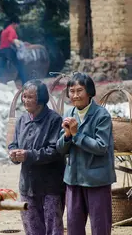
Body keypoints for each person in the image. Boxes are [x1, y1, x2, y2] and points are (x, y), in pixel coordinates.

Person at [56, 73, 116, 235]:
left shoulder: (101, 115)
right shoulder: (69, 113)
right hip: (74, 180)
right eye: (72, 91)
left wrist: (77, 134)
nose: (75, 95)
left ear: (89, 91)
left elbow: (101, 147)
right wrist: (67, 136)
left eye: (80, 90)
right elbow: (60, 149)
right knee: (74, 226)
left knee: (100, 226)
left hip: (97, 181)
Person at [8, 80, 65, 235]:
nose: (25, 100)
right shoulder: (22, 119)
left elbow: (55, 150)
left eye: (30, 97)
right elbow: (13, 144)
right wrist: (14, 154)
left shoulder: (54, 120)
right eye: (24, 96)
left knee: (53, 229)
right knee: (32, 229)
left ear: (40, 99)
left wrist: (28, 155)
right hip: (28, 185)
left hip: (50, 186)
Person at [0, 19, 26, 85]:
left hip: (2, 51)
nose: (17, 26)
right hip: (8, 50)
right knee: (19, 66)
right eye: (17, 25)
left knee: (1, 67)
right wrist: (17, 43)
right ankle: (25, 82)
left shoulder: (5, 30)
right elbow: (10, 39)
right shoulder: (11, 30)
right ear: (14, 23)